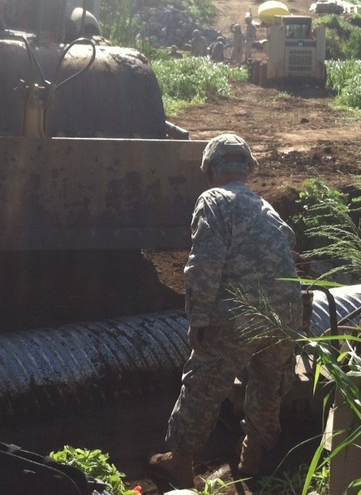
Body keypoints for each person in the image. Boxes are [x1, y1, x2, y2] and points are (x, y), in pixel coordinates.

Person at [149, 134, 302, 488]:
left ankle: (180, 463)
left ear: (212, 169)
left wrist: (199, 320)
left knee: (204, 383)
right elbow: (288, 250)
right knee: (268, 384)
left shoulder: (213, 200)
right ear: (247, 168)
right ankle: (252, 458)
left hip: (237, 315)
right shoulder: (267, 208)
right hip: (284, 314)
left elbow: (204, 264)